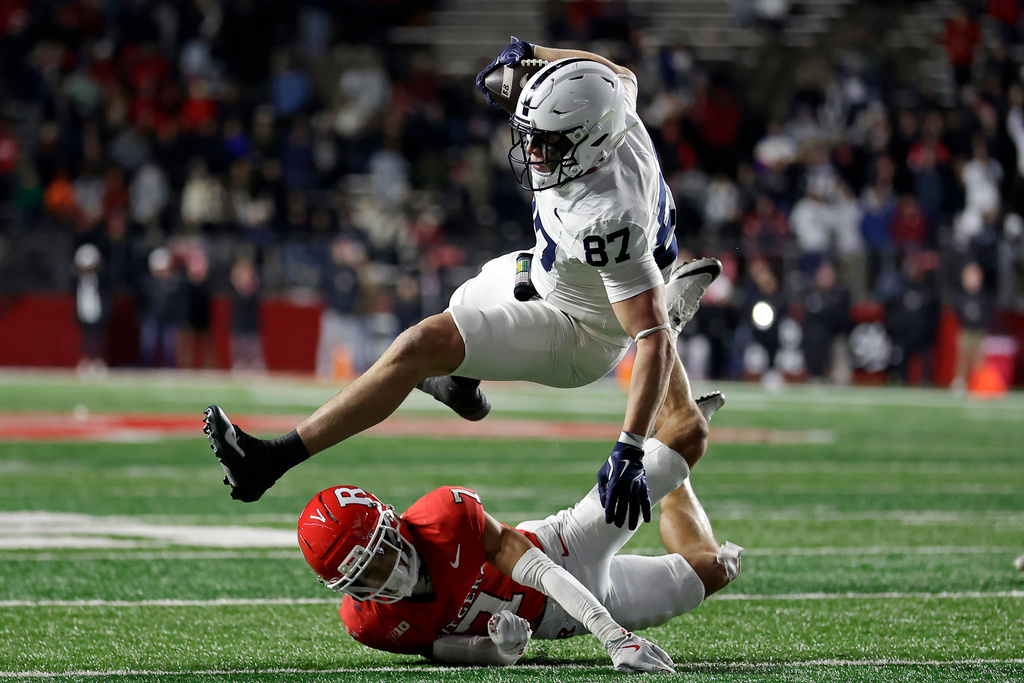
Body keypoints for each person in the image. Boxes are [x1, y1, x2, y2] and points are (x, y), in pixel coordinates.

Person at [204, 41, 723, 531]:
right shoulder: (613, 111)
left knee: (418, 346)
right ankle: (460, 386)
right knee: (458, 310)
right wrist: (533, 54)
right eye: (531, 135)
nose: (533, 151)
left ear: (592, 140)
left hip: (579, 330)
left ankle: (268, 462)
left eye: (549, 141)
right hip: (543, 272)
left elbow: (650, 337)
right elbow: (617, 75)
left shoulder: (608, 217)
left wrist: (629, 445)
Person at [295, 394, 740, 671]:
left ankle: (666, 329)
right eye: (364, 580)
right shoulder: (369, 623)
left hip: (564, 552)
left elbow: (542, 572)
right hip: (560, 622)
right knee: (714, 568)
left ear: (391, 526)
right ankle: (671, 477)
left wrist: (614, 637)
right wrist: (502, 651)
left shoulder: (443, 518)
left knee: (689, 434)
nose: (387, 579)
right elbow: (453, 651)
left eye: (382, 557)